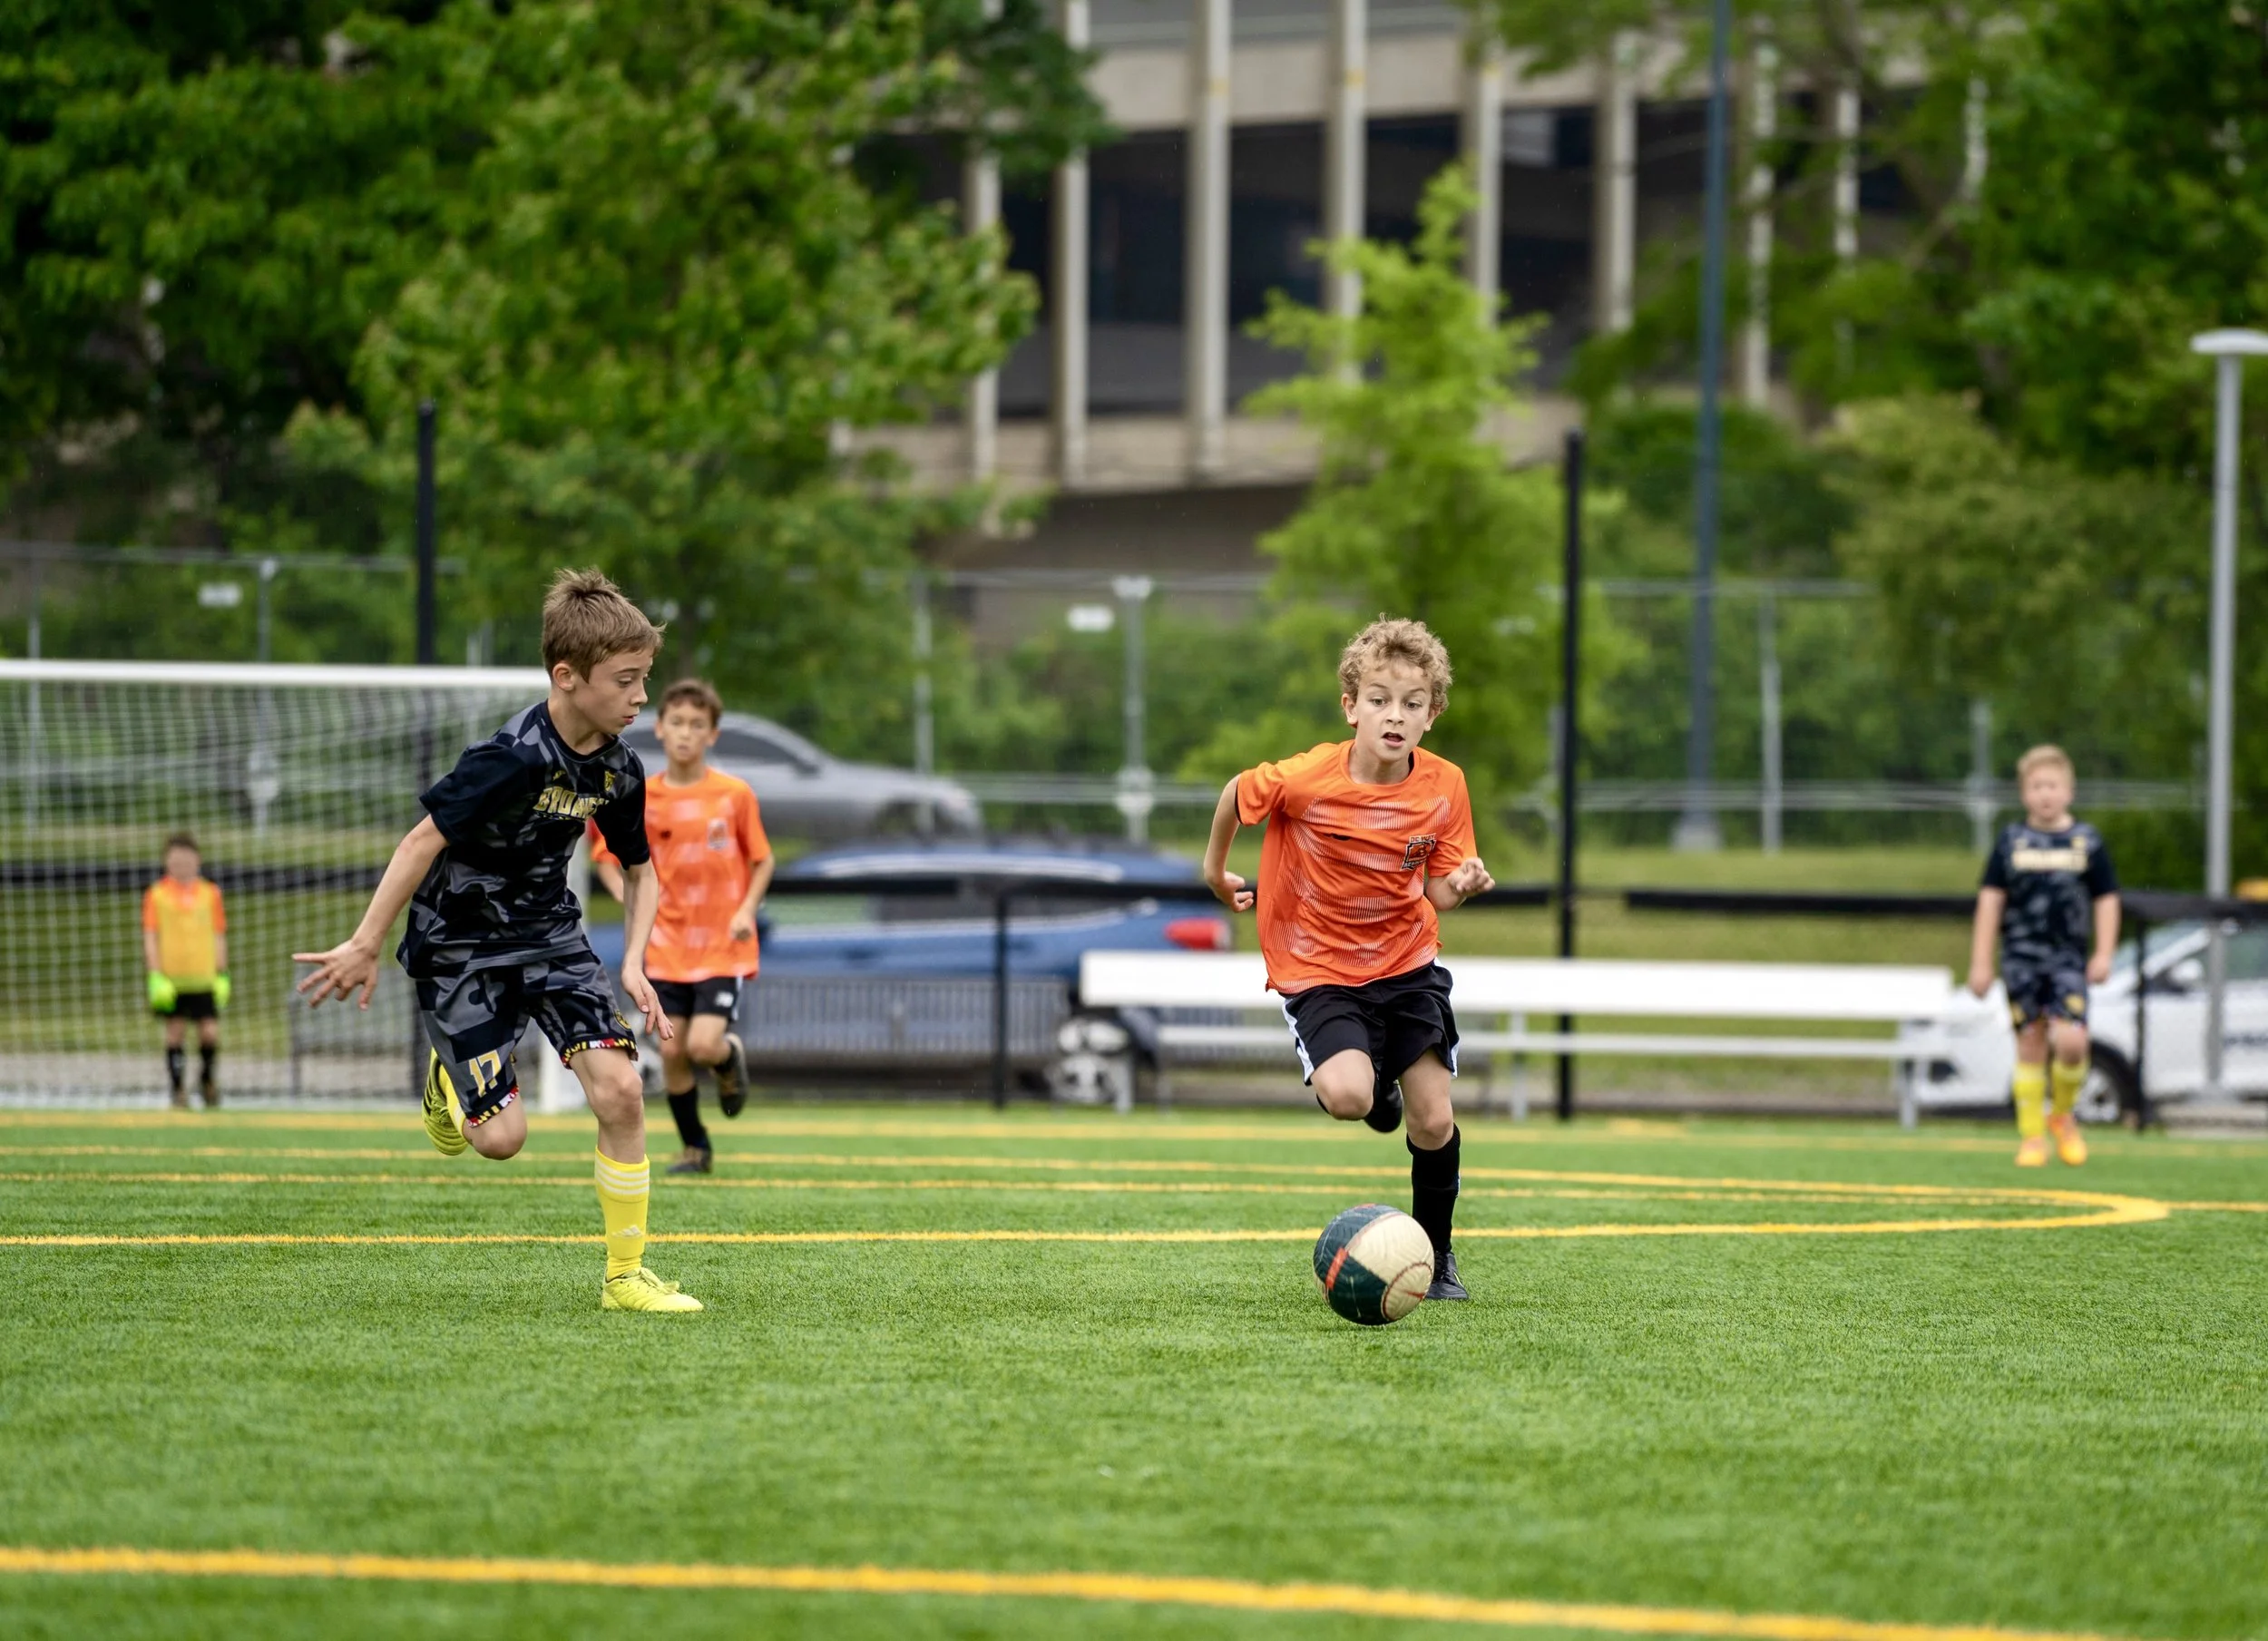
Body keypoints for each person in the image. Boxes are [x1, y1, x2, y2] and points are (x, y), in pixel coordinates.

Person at [293, 567, 702, 1314]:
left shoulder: (618, 768)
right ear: (567, 676)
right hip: (461, 947)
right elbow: (421, 841)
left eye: (646, 677)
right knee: (501, 1140)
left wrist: (636, 961)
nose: (642, 696)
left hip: (551, 937)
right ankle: (448, 1076)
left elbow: (642, 873)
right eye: (628, 680)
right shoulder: (509, 757)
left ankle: (625, 1277)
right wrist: (364, 942)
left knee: (619, 1092)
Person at [1201, 618, 1495, 1302]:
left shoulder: (1445, 786)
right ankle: (1373, 1083)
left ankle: (1439, 1254)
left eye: (1412, 703)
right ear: (1350, 706)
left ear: (1432, 714)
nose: (1394, 715)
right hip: (1319, 965)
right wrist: (1217, 875)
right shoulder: (1306, 778)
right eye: (1379, 699)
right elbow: (1234, 795)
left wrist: (1464, 883)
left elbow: (1434, 887)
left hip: (1406, 961)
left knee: (1434, 1118)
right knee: (1347, 1096)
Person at [590, 678, 773, 1176]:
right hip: (665, 947)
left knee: (702, 1046)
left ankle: (728, 1055)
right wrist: (631, 902)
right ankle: (696, 1148)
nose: (686, 733)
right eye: (677, 723)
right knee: (672, 1051)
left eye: (698, 725)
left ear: (712, 734)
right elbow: (605, 857)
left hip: (720, 947)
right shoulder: (642, 796)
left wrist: (743, 912)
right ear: (661, 729)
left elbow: (763, 860)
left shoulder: (734, 795)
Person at [1968, 744, 2121, 1167]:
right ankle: (2032, 1135)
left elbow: (2106, 899)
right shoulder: (2011, 842)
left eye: (2052, 785)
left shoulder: (2086, 842)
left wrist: (2104, 952)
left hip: (2067, 960)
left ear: (2068, 791)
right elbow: (1990, 901)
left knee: (2072, 1041)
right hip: (2021, 958)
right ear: (2024, 793)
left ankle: (2063, 1115)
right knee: (2030, 1042)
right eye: (2036, 786)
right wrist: (1980, 962)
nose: (2045, 794)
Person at [142, 833, 230, 1109]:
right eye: (176, 860)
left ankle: (207, 1081)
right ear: (167, 862)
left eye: (186, 859)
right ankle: (177, 1090)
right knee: (175, 1033)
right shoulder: (157, 895)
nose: (182, 865)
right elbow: (151, 936)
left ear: (197, 861)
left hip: (203, 977)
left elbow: (218, 934)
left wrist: (222, 973)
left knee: (209, 1033)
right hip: (172, 979)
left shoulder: (210, 893)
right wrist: (155, 975)